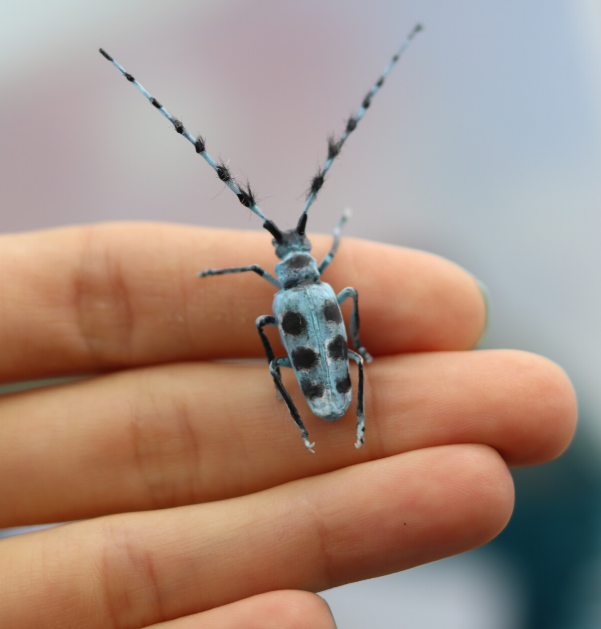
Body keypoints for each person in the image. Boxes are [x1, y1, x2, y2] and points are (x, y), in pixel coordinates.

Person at [0, 222, 576, 629]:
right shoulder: (326, 291)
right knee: (346, 345)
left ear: (284, 264)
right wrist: (353, 338)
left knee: (288, 344)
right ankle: (341, 411)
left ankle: (324, 417)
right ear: (305, 260)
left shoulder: (283, 303)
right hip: (331, 383)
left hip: (321, 384)